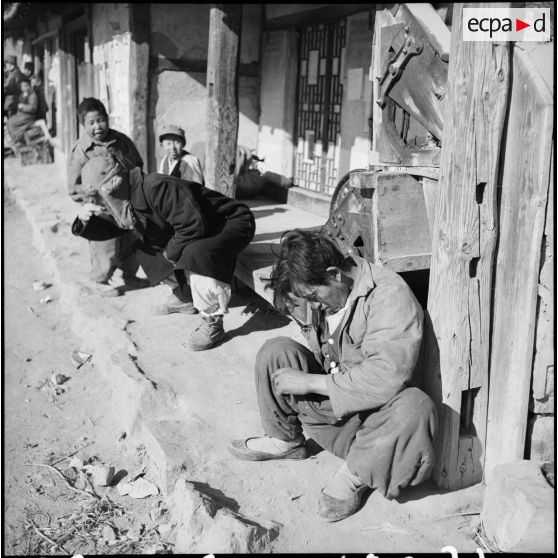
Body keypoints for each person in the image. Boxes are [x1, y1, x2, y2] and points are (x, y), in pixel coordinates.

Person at [228, 230, 437, 522]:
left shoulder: (389, 296)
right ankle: (286, 441)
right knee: (276, 351)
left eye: (313, 296)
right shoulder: (331, 295)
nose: (314, 306)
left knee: (415, 407)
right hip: (333, 418)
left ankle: (357, 474)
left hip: (375, 427)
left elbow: (387, 377)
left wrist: (311, 382)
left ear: (334, 274)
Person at [71, 153, 255, 351]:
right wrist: (84, 219)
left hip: (229, 222)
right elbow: (116, 227)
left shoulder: (156, 186)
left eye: (99, 196)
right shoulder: (125, 198)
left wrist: (170, 253)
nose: (99, 203)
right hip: (199, 227)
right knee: (145, 249)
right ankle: (184, 297)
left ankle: (213, 322)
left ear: (114, 182)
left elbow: (193, 224)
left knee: (195, 253)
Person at [67, 97, 147, 297]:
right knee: (104, 244)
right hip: (100, 207)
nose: (98, 126)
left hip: (125, 202)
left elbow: (137, 163)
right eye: (91, 123)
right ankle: (100, 280)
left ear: (107, 118)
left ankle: (128, 274)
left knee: (130, 238)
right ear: (83, 125)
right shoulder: (81, 150)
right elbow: (74, 184)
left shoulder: (121, 141)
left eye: (101, 120)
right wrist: (90, 201)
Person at [6, 78, 38, 147]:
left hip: (28, 117)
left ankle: (17, 139)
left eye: (25, 86)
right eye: (22, 86)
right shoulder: (24, 94)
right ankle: (16, 139)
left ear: (28, 86)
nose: (23, 88)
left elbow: (33, 108)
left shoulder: (32, 95)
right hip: (22, 115)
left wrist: (23, 106)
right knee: (10, 121)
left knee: (12, 123)